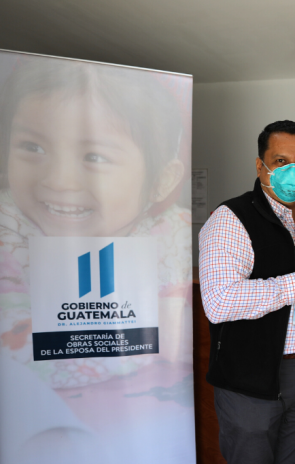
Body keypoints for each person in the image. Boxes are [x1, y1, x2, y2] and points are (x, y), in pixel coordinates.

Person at [0, 56, 191, 385]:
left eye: (95, 157)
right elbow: (15, 348)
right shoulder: (8, 232)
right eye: (33, 146)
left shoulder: (173, 232)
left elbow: (183, 336)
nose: (58, 181)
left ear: (161, 180)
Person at [198, 120, 295, 464]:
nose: (293, 171)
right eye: (281, 162)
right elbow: (219, 302)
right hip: (251, 377)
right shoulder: (230, 218)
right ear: (260, 165)